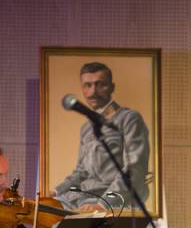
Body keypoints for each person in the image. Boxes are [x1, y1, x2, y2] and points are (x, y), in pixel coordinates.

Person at [51, 61, 149, 211]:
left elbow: (134, 169)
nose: (93, 92)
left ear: (112, 87)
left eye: (100, 84)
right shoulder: (86, 128)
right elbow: (81, 172)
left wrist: (104, 204)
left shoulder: (129, 119)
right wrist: (55, 192)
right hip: (82, 197)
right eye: (87, 85)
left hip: (113, 200)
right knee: (46, 209)